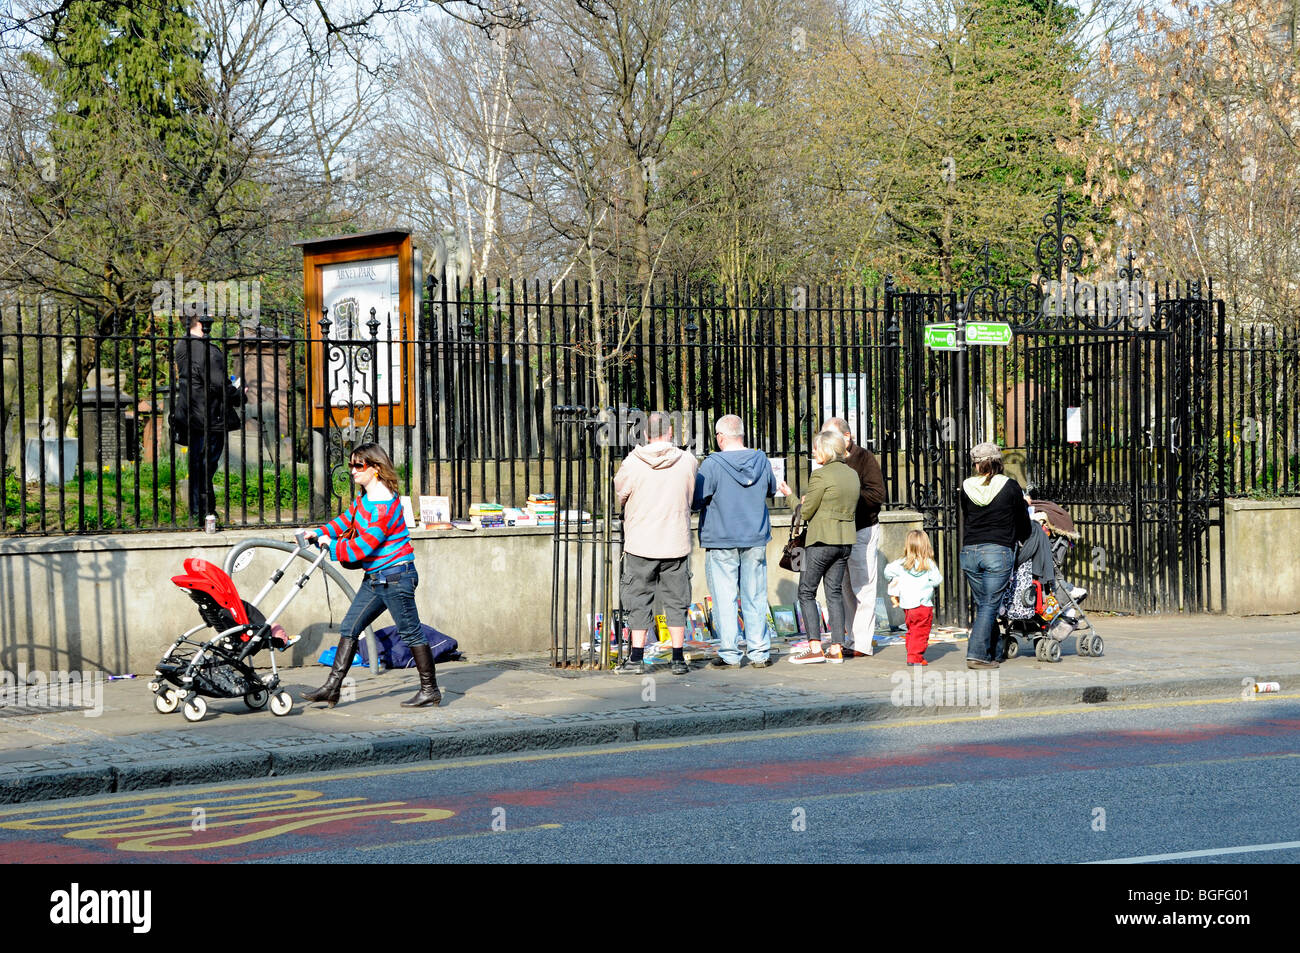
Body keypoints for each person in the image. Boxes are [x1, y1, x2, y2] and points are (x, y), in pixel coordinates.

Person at [301, 442, 440, 708]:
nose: (352, 470)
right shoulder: (365, 500)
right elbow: (345, 521)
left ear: (375, 468)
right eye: (351, 465)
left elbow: (361, 548)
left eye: (358, 465)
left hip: (396, 577)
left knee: (411, 633)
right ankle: (332, 688)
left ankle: (430, 689)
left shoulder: (384, 506)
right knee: (350, 627)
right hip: (376, 579)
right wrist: (318, 533)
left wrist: (332, 546)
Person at [694, 414, 792, 669]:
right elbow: (771, 489)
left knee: (725, 598)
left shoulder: (712, 464)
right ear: (742, 435)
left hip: (721, 537)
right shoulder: (761, 460)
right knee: (755, 596)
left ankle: (730, 653)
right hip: (755, 536)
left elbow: (697, 499)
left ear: (720, 437)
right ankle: (759, 652)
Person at [614, 411, 699, 676]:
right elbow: (692, 495)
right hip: (675, 541)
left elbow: (620, 495)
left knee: (639, 599)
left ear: (646, 434)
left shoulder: (632, 463)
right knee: (677, 601)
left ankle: (636, 659)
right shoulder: (688, 461)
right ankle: (677, 658)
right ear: (671, 433)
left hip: (641, 543)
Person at [789, 429, 860, 664]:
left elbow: (806, 512)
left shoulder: (820, 475)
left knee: (806, 591)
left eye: (816, 448)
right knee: (835, 592)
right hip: (844, 541)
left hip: (821, 541)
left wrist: (792, 498)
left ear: (827, 450)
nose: (813, 453)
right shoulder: (852, 475)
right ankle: (837, 648)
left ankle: (814, 648)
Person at [960, 442, 1031, 669]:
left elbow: (966, 516)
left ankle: (994, 650)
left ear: (976, 464)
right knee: (990, 604)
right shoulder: (1010, 486)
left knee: (984, 604)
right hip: (997, 551)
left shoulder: (965, 487)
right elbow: (1023, 525)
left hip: (970, 551)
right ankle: (977, 655)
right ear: (998, 462)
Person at [822, 416, 887, 657]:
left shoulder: (864, 458)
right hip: (837, 531)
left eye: (829, 436)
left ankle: (862, 643)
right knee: (843, 586)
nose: (823, 441)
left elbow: (876, 494)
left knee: (863, 585)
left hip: (861, 528)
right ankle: (850, 638)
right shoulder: (829, 459)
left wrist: (848, 499)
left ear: (846, 437)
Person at [171, 312, 243, 526]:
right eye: (208, 318)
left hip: (190, 414)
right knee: (206, 466)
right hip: (210, 415)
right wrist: (238, 394)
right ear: (201, 323)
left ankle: (199, 511)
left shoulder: (182, 345)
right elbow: (217, 384)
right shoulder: (207, 350)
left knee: (197, 465)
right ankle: (205, 513)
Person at [884, 530, 943, 666]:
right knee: (921, 632)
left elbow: (887, 571)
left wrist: (895, 578)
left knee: (912, 630)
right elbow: (937, 580)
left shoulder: (901, 563)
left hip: (907, 605)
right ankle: (915, 657)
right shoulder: (929, 564)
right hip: (923, 604)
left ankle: (912, 652)